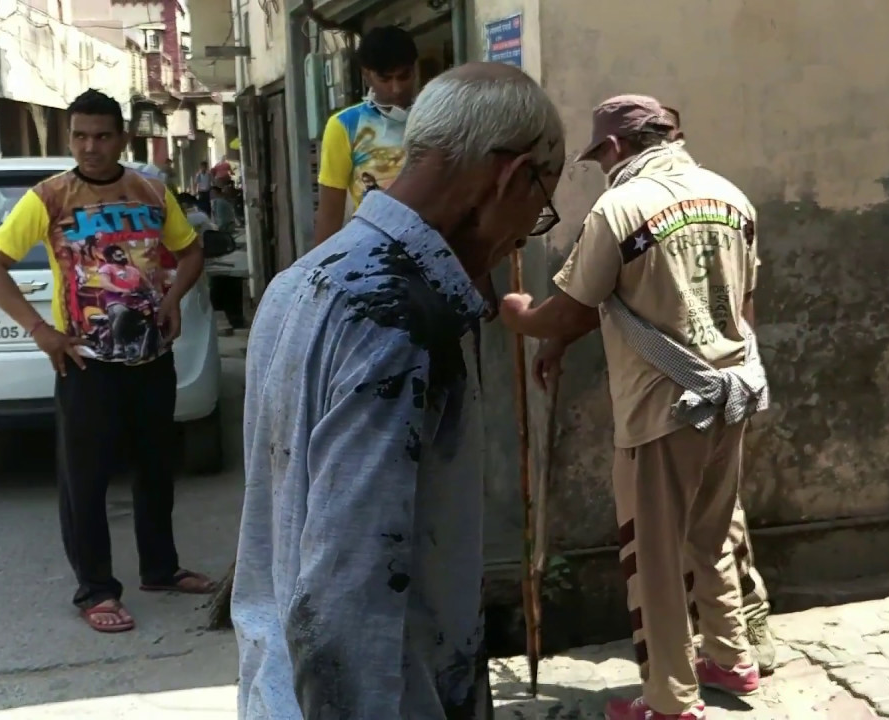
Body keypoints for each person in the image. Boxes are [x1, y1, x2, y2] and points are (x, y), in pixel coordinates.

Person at [232, 62, 564, 719]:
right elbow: (347, 595)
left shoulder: (302, 278)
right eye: (540, 204)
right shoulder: (398, 315)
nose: (522, 236)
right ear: (512, 174)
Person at [499, 95, 767, 720]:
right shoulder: (733, 198)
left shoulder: (620, 207)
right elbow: (740, 303)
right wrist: (563, 337)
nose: (598, 169)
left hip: (659, 411)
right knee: (713, 531)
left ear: (615, 148)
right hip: (732, 394)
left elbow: (572, 304)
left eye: (597, 158)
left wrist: (526, 320)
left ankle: (671, 699)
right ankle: (731, 657)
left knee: (652, 555)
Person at [0, 88, 216, 634]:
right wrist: (41, 331)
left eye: (102, 136)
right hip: (85, 363)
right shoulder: (50, 197)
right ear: (71, 138)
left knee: (156, 469)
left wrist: (174, 300)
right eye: (80, 136)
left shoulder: (152, 191)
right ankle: (97, 590)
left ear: (122, 138)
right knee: (86, 481)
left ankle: (160, 568)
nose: (91, 146)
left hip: (151, 357)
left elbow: (191, 250)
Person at [660, 104, 777, 675]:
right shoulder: (714, 202)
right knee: (713, 516)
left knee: (717, 519)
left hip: (705, 382)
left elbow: (743, 303)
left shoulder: (712, 203)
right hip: (710, 378)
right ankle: (729, 637)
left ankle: (741, 627)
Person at [313, 25, 418, 246]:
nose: (396, 88)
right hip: (375, 255)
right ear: (367, 75)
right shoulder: (345, 126)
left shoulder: (437, 118)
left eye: (403, 76)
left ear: (415, 69)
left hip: (435, 253)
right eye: (385, 79)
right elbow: (330, 214)